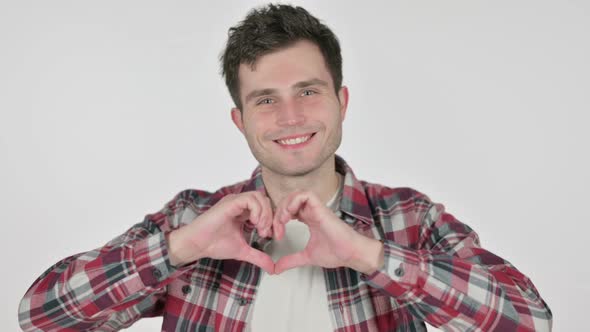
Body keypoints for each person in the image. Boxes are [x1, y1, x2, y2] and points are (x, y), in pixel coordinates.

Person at [18, 4, 552, 331]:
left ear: (342, 101)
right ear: (240, 119)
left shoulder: (408, 219)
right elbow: (40, 317)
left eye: (308, 91)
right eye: (266, 99)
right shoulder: (193, 218)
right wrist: (180, 248)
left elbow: (529, 319)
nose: (290, 116)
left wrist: (369, 256)